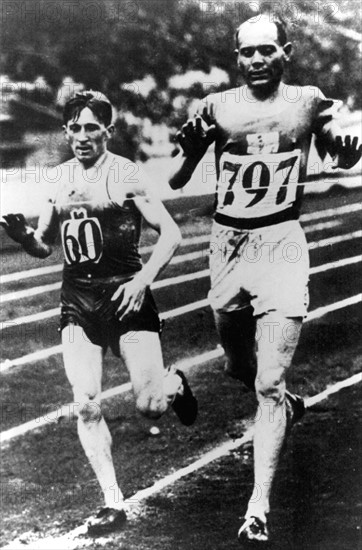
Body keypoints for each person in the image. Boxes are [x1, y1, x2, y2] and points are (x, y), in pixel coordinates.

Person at [168, 15, 361, 543]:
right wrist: (191, 149)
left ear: (287, 52)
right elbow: (178, 179)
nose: (256, 61)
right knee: (237, 365)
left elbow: (339, 147)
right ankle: (284, 400)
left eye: (266, 51)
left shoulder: (307, 99)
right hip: (227, 247)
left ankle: (258, 509)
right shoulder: (217, 106)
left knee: (268, 384)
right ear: (237, 58)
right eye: (246, 53)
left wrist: (346, 149)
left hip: (281, 244)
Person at [1, 91, 198, 535]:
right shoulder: (57, 179)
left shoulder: (126, 173)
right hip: (79, 303)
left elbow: (170, 234)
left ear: (107, 130)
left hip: (125, 297)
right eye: (75, 127)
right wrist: (24, 237)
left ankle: (173, 383)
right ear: (66, 130)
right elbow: (45, 245)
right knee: (85, 403)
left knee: (149, 407)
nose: (83, 136)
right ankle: (112, 501)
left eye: (93, 127)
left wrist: (143, 279)